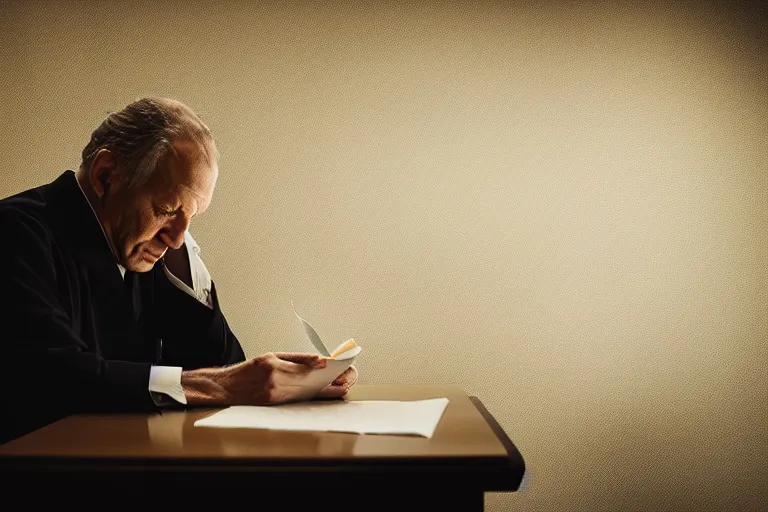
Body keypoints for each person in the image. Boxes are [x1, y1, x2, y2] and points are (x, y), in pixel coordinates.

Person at [0, 97, 357, 444]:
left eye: (192, 217)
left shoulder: (141, 245)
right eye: (167, 208)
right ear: (106, 176)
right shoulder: (14, 233)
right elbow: (59, 378)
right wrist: (222, 384)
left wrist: (288, 382)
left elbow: (220, 365)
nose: (176, 239)